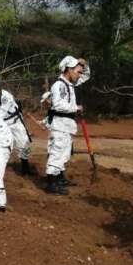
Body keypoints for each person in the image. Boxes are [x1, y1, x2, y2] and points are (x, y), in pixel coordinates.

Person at [44, 56, 87, 195]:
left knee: (64, 153)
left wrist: (82, 63)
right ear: (69, 70)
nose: (80, 75)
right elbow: (59, 105)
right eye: (78, 71)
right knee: (57, 153)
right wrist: (76, 108)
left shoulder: (69, 84)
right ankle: (51, 184)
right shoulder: (59, 85)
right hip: (60, 124)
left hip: (66, 125)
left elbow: (86, 75)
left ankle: (59, 179)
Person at [0, 78, 33, 176]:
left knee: (23, 145)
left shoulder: (6, 97)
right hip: (0, 124)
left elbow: (0, 115)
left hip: (14, 123)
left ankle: (25, 167)